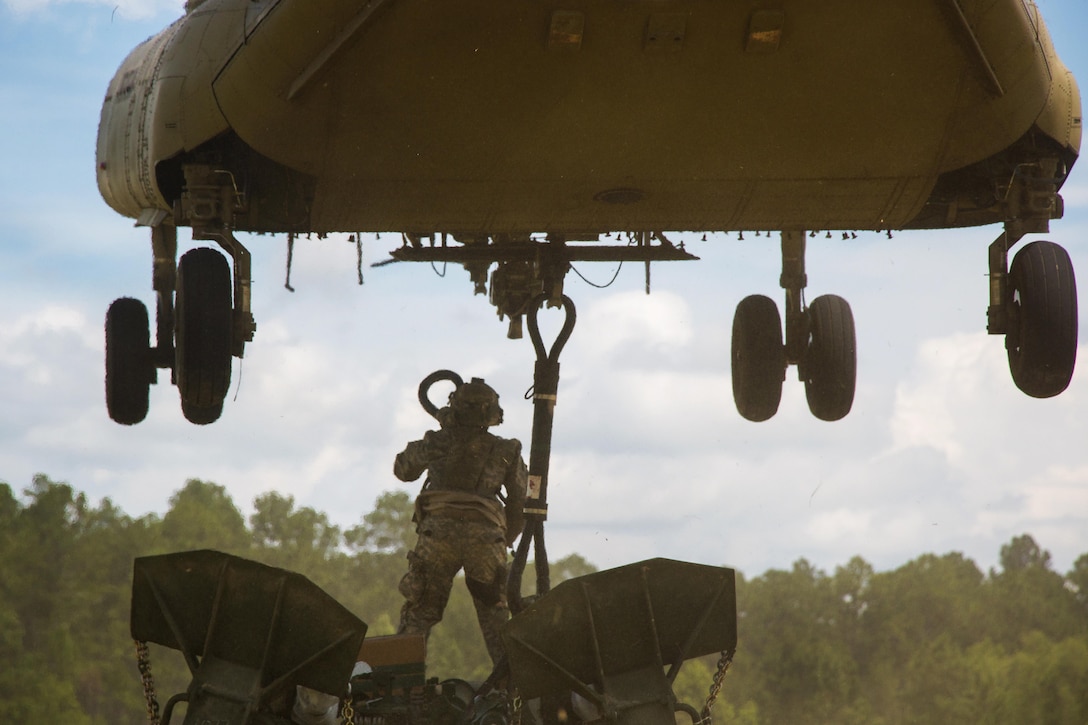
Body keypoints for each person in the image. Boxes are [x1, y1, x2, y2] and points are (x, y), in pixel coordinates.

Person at [394, 378, 528, 665]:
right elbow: (520, 502)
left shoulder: (437, 442)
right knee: (496, 619)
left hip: (436, 537)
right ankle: (513, 695)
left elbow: (402, 470)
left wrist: (438, 438)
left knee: (419, 613)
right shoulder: (507, 451)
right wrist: (504, 541)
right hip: (487, 539)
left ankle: (401, 690)